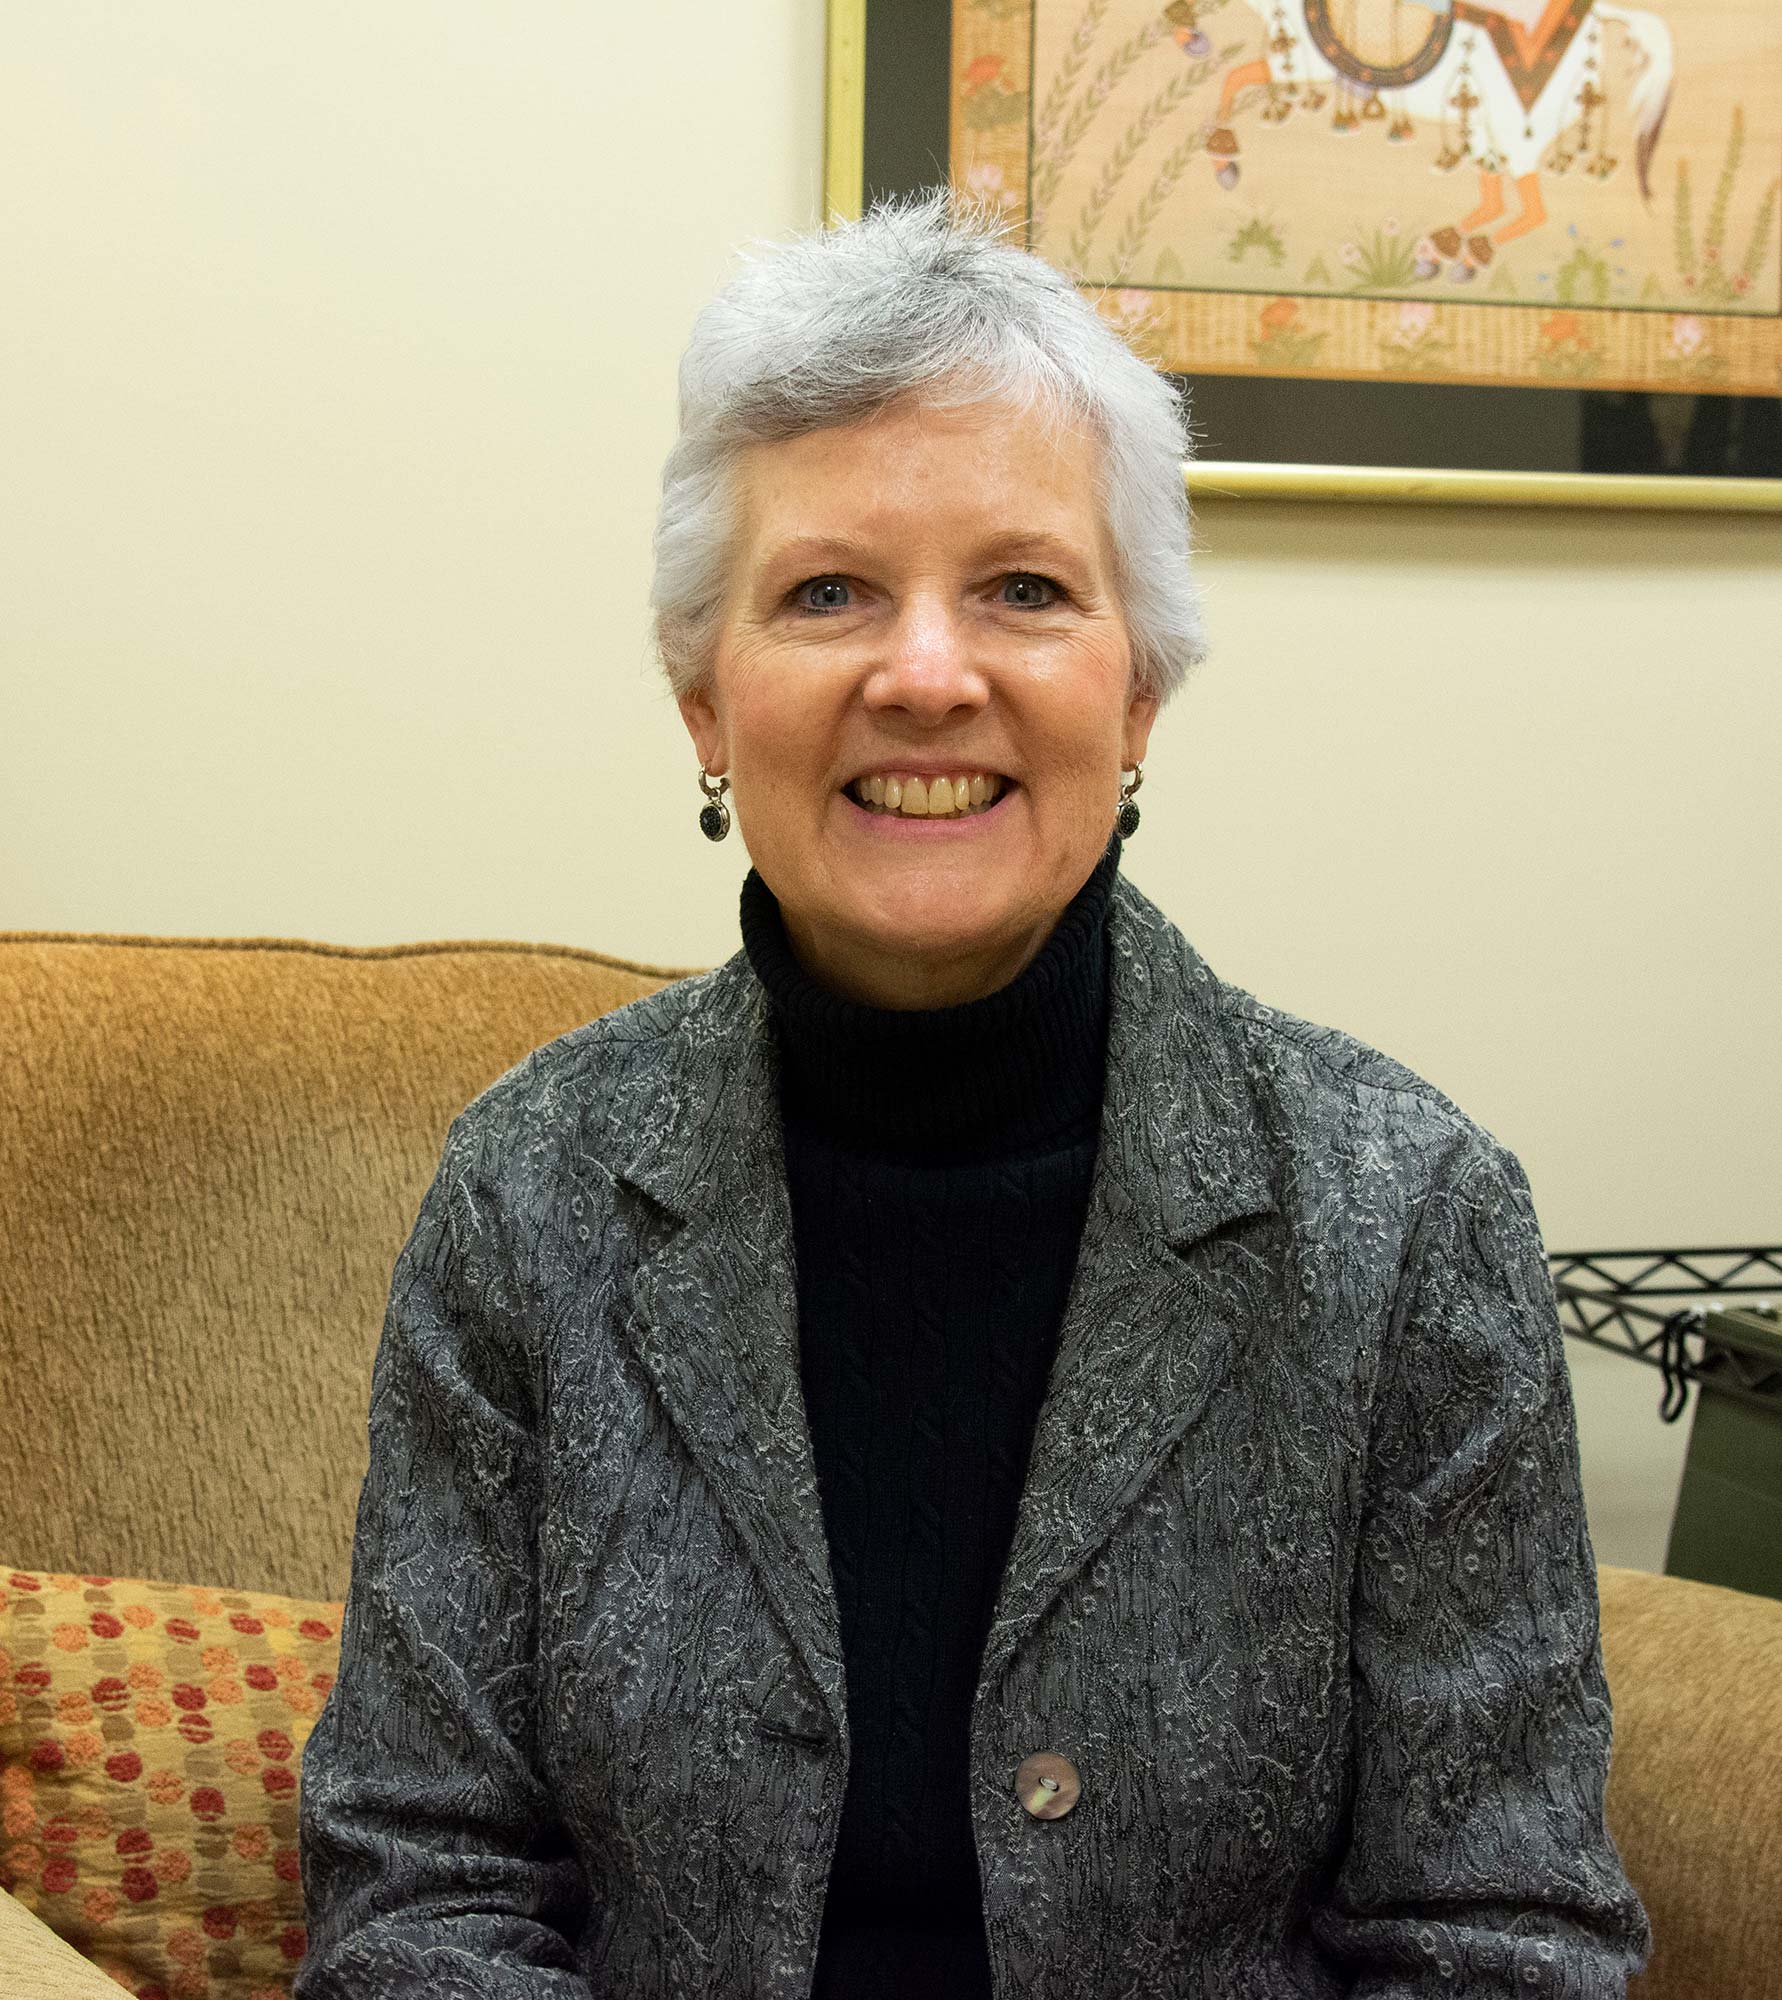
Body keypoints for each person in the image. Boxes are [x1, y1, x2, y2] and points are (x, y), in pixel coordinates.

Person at [295, 192, 1651, 1998]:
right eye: (826, 591)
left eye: (1022, 588)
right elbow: (418, 1888)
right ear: (704, 697)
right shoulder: (528, 1192)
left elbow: (1503, 1932)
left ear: (1139, 688)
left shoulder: (1405, 1218)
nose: (924, 674)